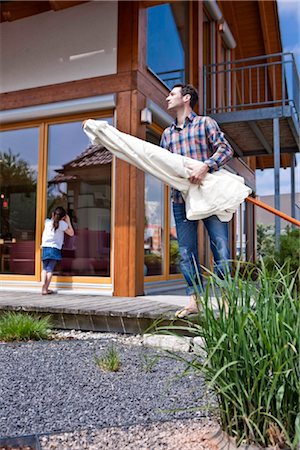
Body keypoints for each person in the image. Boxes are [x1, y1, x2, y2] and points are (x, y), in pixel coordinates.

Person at [160, 83, 234, 318]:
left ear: (187, 98)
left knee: (220, 247)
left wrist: (206, 166)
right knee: (185, 251)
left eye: (172, 94)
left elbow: (225, 149)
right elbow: (164, 165)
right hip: (181, 200)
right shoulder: (167, 134)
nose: (167, 98)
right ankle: (195, 301)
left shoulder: (205, 123)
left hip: (210, 197)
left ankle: (225, 301)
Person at [41, 206, 74, 295]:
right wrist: (68, 221)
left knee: (44, 268)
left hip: (45, 247)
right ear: (63, 217)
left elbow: (52, 220)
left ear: (53, 214)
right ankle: (46, 288)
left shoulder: (47, 222)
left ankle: (43, 285)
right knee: (50, 269)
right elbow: (71, 233)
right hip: (54, 249)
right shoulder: (62, 225)